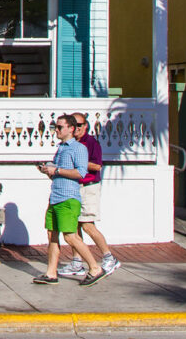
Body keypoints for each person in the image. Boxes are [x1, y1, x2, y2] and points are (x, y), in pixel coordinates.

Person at [31, 114, 106, 286]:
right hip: (55, 196)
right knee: (52, 234)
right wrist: (48, 171)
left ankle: (95, 268)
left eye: (59, 127)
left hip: (69, 199)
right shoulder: (61, 148)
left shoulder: (78, 148)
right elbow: (58, 173)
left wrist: (56, 170)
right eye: (55, 127)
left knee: (70, 236)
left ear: (71, 129)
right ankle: (51, 273)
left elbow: (80, 173)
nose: (56, 130)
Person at [60, 112, 120, 279]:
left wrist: (78, 161)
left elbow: (97, 166)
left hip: (89, 186)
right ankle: (77, 261)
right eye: (74, 125)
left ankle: (109, 257)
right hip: (74, 187)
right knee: (74, 226)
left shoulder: (90, 142)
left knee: (88, 225)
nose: (76, 128)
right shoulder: (70, 143)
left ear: (85, 126)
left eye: (79, 125)